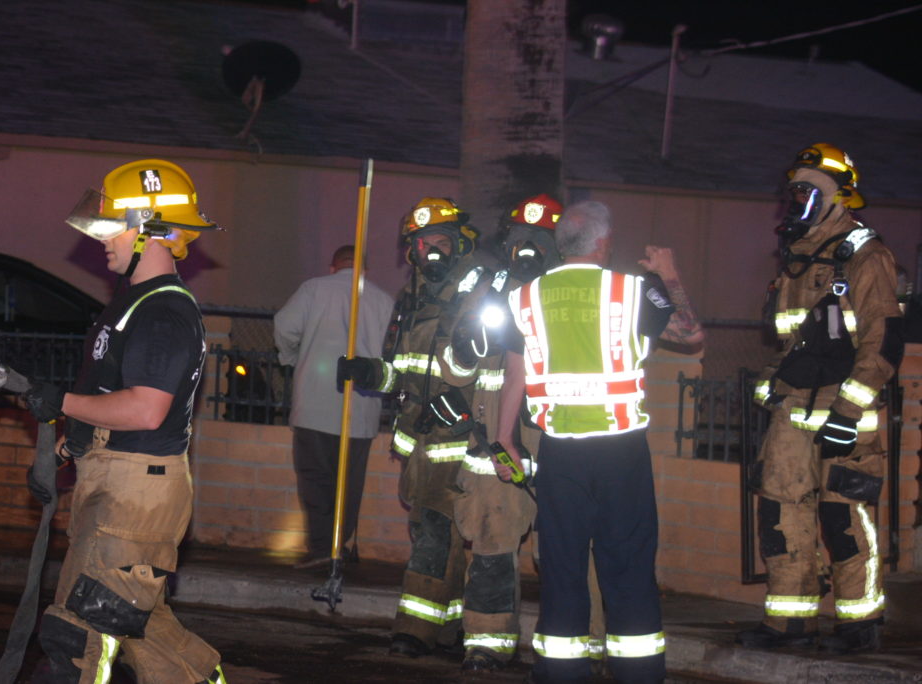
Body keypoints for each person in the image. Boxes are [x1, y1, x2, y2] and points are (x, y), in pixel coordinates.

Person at [21, 159, 227, 683]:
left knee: (78, 637)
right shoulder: (132, 303)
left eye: (112, 226)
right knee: (145, 635)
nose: (101, 239)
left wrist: (62, 402)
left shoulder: (164, 312)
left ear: (149, 228)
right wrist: (66, 449)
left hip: (135, 495)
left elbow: (144, 409)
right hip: (120, 487)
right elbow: (110, 396)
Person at [497, 200, 704, 684]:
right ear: (604, 244)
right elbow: (691, 335)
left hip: (559, 453)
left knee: (562, 569)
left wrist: (505, 439)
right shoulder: (632, 292)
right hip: (620, 454)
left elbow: (514, 376)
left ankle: (559, 673)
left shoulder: (523, 298)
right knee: (628, 567)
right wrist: (670, 275)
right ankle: (638, 674)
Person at [337, 197, 530, 671]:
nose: (429, 252)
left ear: (461, 242)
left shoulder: (488, 289)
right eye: (420, 245)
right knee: (432, 539)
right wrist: (370, 373)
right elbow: (404, 372)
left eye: (438, 241)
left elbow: (495, 364)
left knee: (477, 536)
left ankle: (477, 640)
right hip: (423, 443)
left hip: (471, 441)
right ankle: (429, 629)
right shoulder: (412, 299)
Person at [737, 143, 903, 654]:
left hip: (844, 412)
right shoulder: (798, 257)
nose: (795, 202)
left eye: (807, 191)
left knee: (843, 518)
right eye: (793, 192)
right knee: (781, 514)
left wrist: (849, 412)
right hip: (794, 410)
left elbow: (882, 342)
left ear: (838, 197)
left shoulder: (866, 255)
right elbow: (795, 343)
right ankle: (790, 622)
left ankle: (860, 623)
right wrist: (773, 383)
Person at [273, 245, 394, 570]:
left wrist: (292, 357)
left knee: (315, 479)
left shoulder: (313, 289)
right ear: (365, 270)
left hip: (314, 403)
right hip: (361, 409)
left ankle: (321, 547)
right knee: (349, 484)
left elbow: (284, 326)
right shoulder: (383, 300)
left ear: (332, 266)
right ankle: (341, 546)